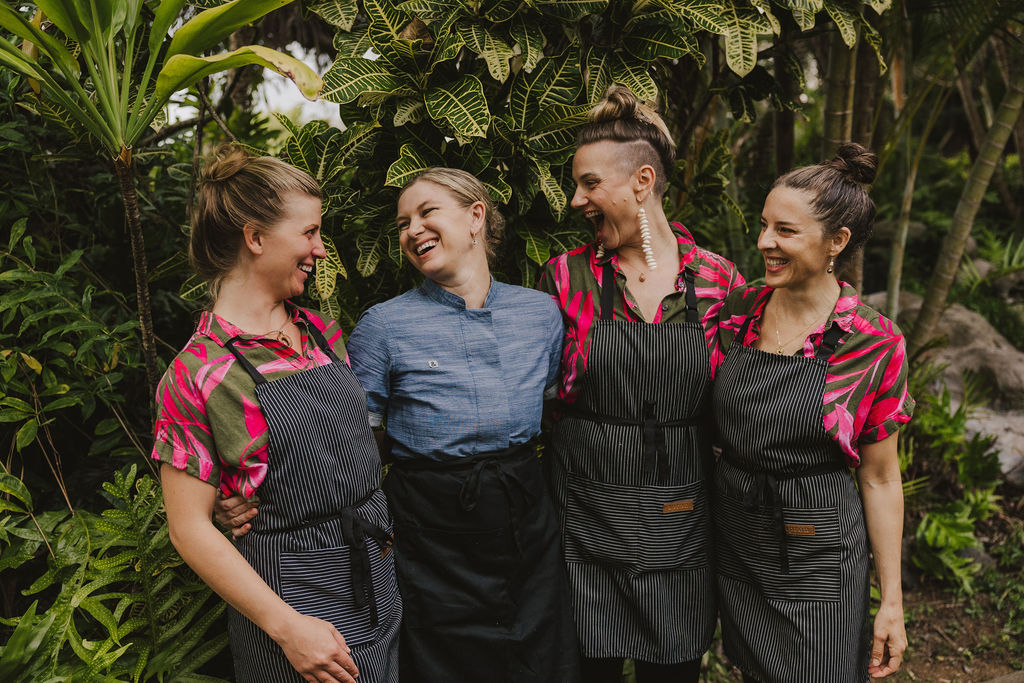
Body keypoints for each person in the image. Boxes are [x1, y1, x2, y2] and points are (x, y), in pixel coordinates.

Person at [153, 144, 400, 683]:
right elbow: (188, 528)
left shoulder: (321, 332)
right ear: (256, 237)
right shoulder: (198, 372)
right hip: (294, 612)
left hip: (375, 585)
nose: (321, 249)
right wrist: (287, 627)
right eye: (309, 233)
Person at [540, 85, 745, 682]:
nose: (576, 199)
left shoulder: (717, 282)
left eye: (589, 183)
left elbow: (736, 406)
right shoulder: (565, 276)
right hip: (586, 514)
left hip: (680, 516)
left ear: (642, 181)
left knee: (673, 670)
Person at [346, 167, 579, 682]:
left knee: (540, 654)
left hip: (525, 510)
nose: (412, 230)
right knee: (445, 661)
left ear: (476, 217)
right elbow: (360, 442)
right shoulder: (382, 326)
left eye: (427, 212)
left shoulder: (541, 314)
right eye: (404, 222)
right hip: (430, 526)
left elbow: (550, 410)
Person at [712, 143, 911, 682]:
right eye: (763, 225)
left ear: (837, 242)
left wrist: (890, 602)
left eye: (785, 231)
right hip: (740, 537)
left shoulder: (872, 341)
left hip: (818, 545)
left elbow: (879, 477)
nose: (764, 243)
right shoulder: (738, 312)